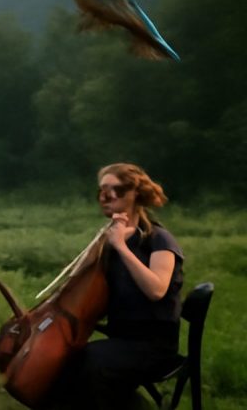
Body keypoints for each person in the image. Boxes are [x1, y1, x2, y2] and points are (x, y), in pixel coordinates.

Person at [56, 163, 184, 410]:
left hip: (153, 346)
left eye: (117, 189)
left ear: (136, 193)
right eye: (102, 191)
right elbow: (76, 278)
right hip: (121, 339)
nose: (107, 196)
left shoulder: (159, 239)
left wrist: (122, 248)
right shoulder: (111, 240)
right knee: (66, 361)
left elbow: (156, 290)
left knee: (92, 364)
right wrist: (103, 242)